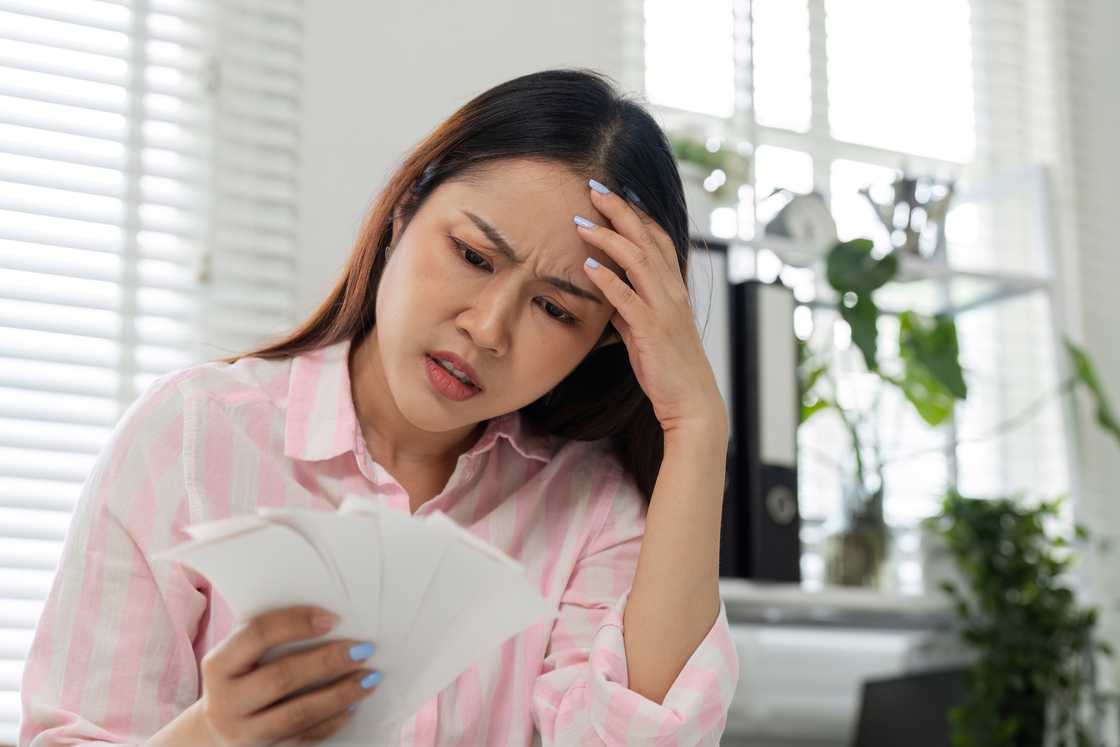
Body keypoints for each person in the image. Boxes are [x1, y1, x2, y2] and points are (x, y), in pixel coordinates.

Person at [19, 68, 740, 746]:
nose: (488, 329)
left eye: (554, 308)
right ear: (403, 213)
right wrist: (214, 731)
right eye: (473, 255)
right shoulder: (190, 436)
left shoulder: (593, 511)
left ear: (603, 341)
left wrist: (698, 428)